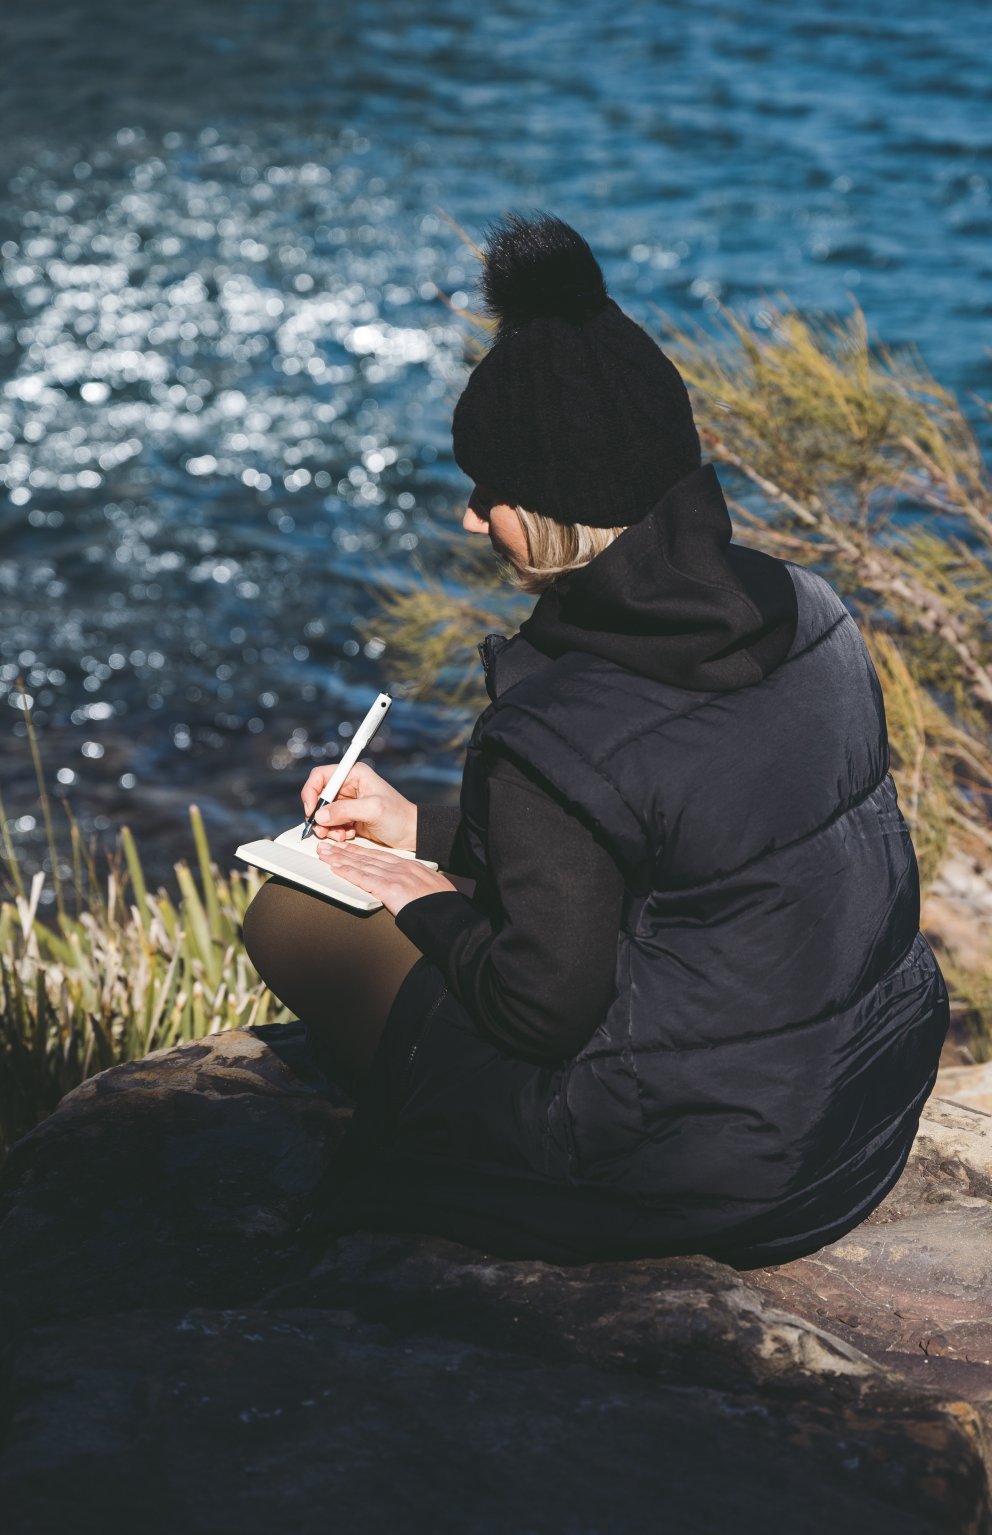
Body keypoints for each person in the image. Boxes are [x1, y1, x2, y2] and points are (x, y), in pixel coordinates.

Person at [241, 210, 950, 1269]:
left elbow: (538, 1005)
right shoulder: (812, 611)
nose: (474, 519)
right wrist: (422, 827)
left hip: (695, 1176)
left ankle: (420, 1114)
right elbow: (685, 852)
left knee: (287, 912)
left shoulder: (559, 720)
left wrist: (418, 892)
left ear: (560, 512)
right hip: (858, 1111)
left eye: (493, 493)